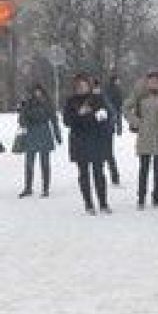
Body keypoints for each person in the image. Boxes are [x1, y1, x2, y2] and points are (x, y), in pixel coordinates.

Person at [64, 74, 113, 215]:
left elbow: (105, 117)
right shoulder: (71, 101)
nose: (81, 88)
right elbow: (68, 121)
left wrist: (94, 117)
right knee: (84, 174)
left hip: (96, 140)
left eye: (84, 85)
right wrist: (81, 115)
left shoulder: (97, 99)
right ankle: (88, 204)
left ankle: (103, 203)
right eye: (79, 85)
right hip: (79, 142)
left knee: (99, 173)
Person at [125, 71, 158, 209]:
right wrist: (135, 121)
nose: (154, 83)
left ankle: (156, 197)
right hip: (145, 135)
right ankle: (141, 198)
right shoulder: (139, 94)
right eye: (151, 80)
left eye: (157, 81)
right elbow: (126, 107)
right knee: (144, 168)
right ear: (147, 82)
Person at [16, 84, 62, 198]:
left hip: (44, 133)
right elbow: (21, 121)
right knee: (29, 164)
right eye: (35, 92)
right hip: (31, 134)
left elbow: (54, 120)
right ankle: (28, 188)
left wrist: (58, 135)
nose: (37, 94)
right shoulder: (28, 103)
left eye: (39, 91)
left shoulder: (47, 103)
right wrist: (22, 111)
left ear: (42, 92)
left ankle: (45, 188)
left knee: (45, 163)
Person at [92, 78, 121, 185]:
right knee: (98, 155)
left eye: (97, 88)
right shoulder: (90, 100)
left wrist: (112, 125)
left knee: (108, 154)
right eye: (94, 88)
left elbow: (113, 113)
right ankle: (100, 176)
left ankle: (114, 176)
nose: (96, 90)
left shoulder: (104, 98)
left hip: (106, 131)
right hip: (94, 132)